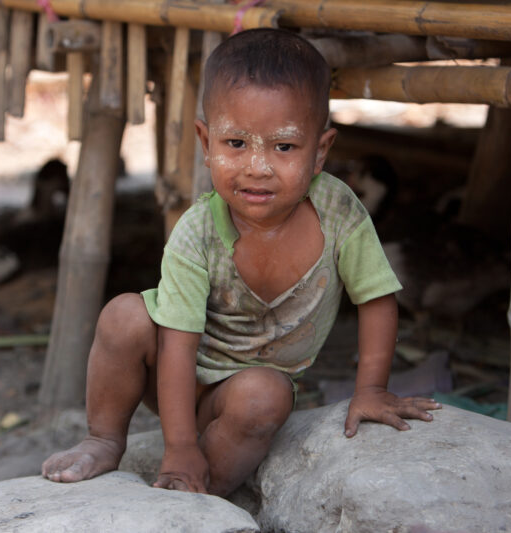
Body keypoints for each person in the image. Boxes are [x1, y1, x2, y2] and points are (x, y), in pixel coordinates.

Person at [41, 28, 440, 497]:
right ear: (205, 141)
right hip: (176, 374)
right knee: (123, 315)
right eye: (235, 143)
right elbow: (177, 344)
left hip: (246, 394)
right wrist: (178, 445)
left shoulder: (339, 214)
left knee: (264, 397)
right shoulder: (197, 232)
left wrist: (370, 390)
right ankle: (104, 438)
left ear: (320, 152)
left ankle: (203, 493)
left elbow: (376, 298)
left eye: (284, 147)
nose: (257, 167)